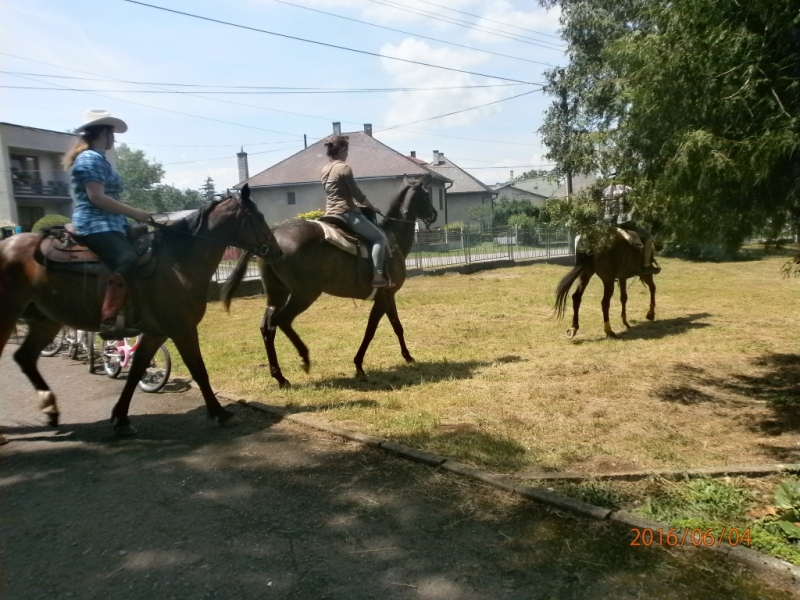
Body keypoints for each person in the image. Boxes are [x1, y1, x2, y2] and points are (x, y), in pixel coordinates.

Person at [62, 109, 152, 337]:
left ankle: (134, 310)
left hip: (112, 223)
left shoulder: (98, 159)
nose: (114, 139)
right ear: (104, 132)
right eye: (112, 133)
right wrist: (135, 213)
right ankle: (109, 320)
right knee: (127, 259)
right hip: (95, 223)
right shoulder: (90, 158)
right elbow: (97, 197)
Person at [321, 135, 390, 288]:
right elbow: (356, 194)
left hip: (329, 214)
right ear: (343, 149)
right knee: (379, 238)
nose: (348, 154)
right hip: (346, 212)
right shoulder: (344, 167)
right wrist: (372, 207)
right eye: (347, 150)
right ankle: (378, 277)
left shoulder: (325, 169)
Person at [602, 184, 660, 275]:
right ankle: (646, 265)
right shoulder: (628, 189)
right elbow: (634, 207)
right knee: (648, 237)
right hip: (624, 222)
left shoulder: (606, 190)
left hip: (609, 223)